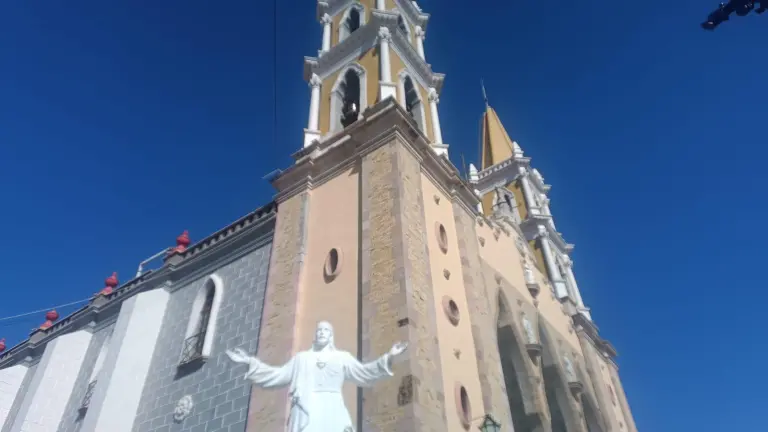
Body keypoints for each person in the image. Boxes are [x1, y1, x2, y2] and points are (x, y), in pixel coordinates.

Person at [226, 321, 408, 432]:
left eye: (325, 330)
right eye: (319, 330)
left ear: (331, 336)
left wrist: (389, 356)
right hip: (307, 406)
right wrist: (249, 362)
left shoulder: (341, 357)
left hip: (333, 406)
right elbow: (277, 375)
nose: (321, 333)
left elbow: (364, 373)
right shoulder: (301, 358)